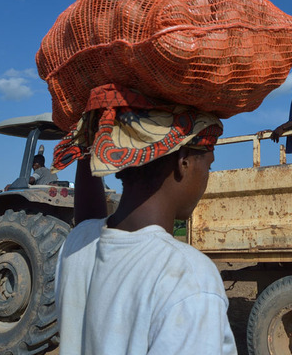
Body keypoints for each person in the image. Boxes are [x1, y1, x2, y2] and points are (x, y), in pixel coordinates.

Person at [53, 86, 237, 355]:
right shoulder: (188, 276)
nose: (207, 177)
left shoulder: (75, 245)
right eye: (209, 164)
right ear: (183, 161)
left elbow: (88, 220)